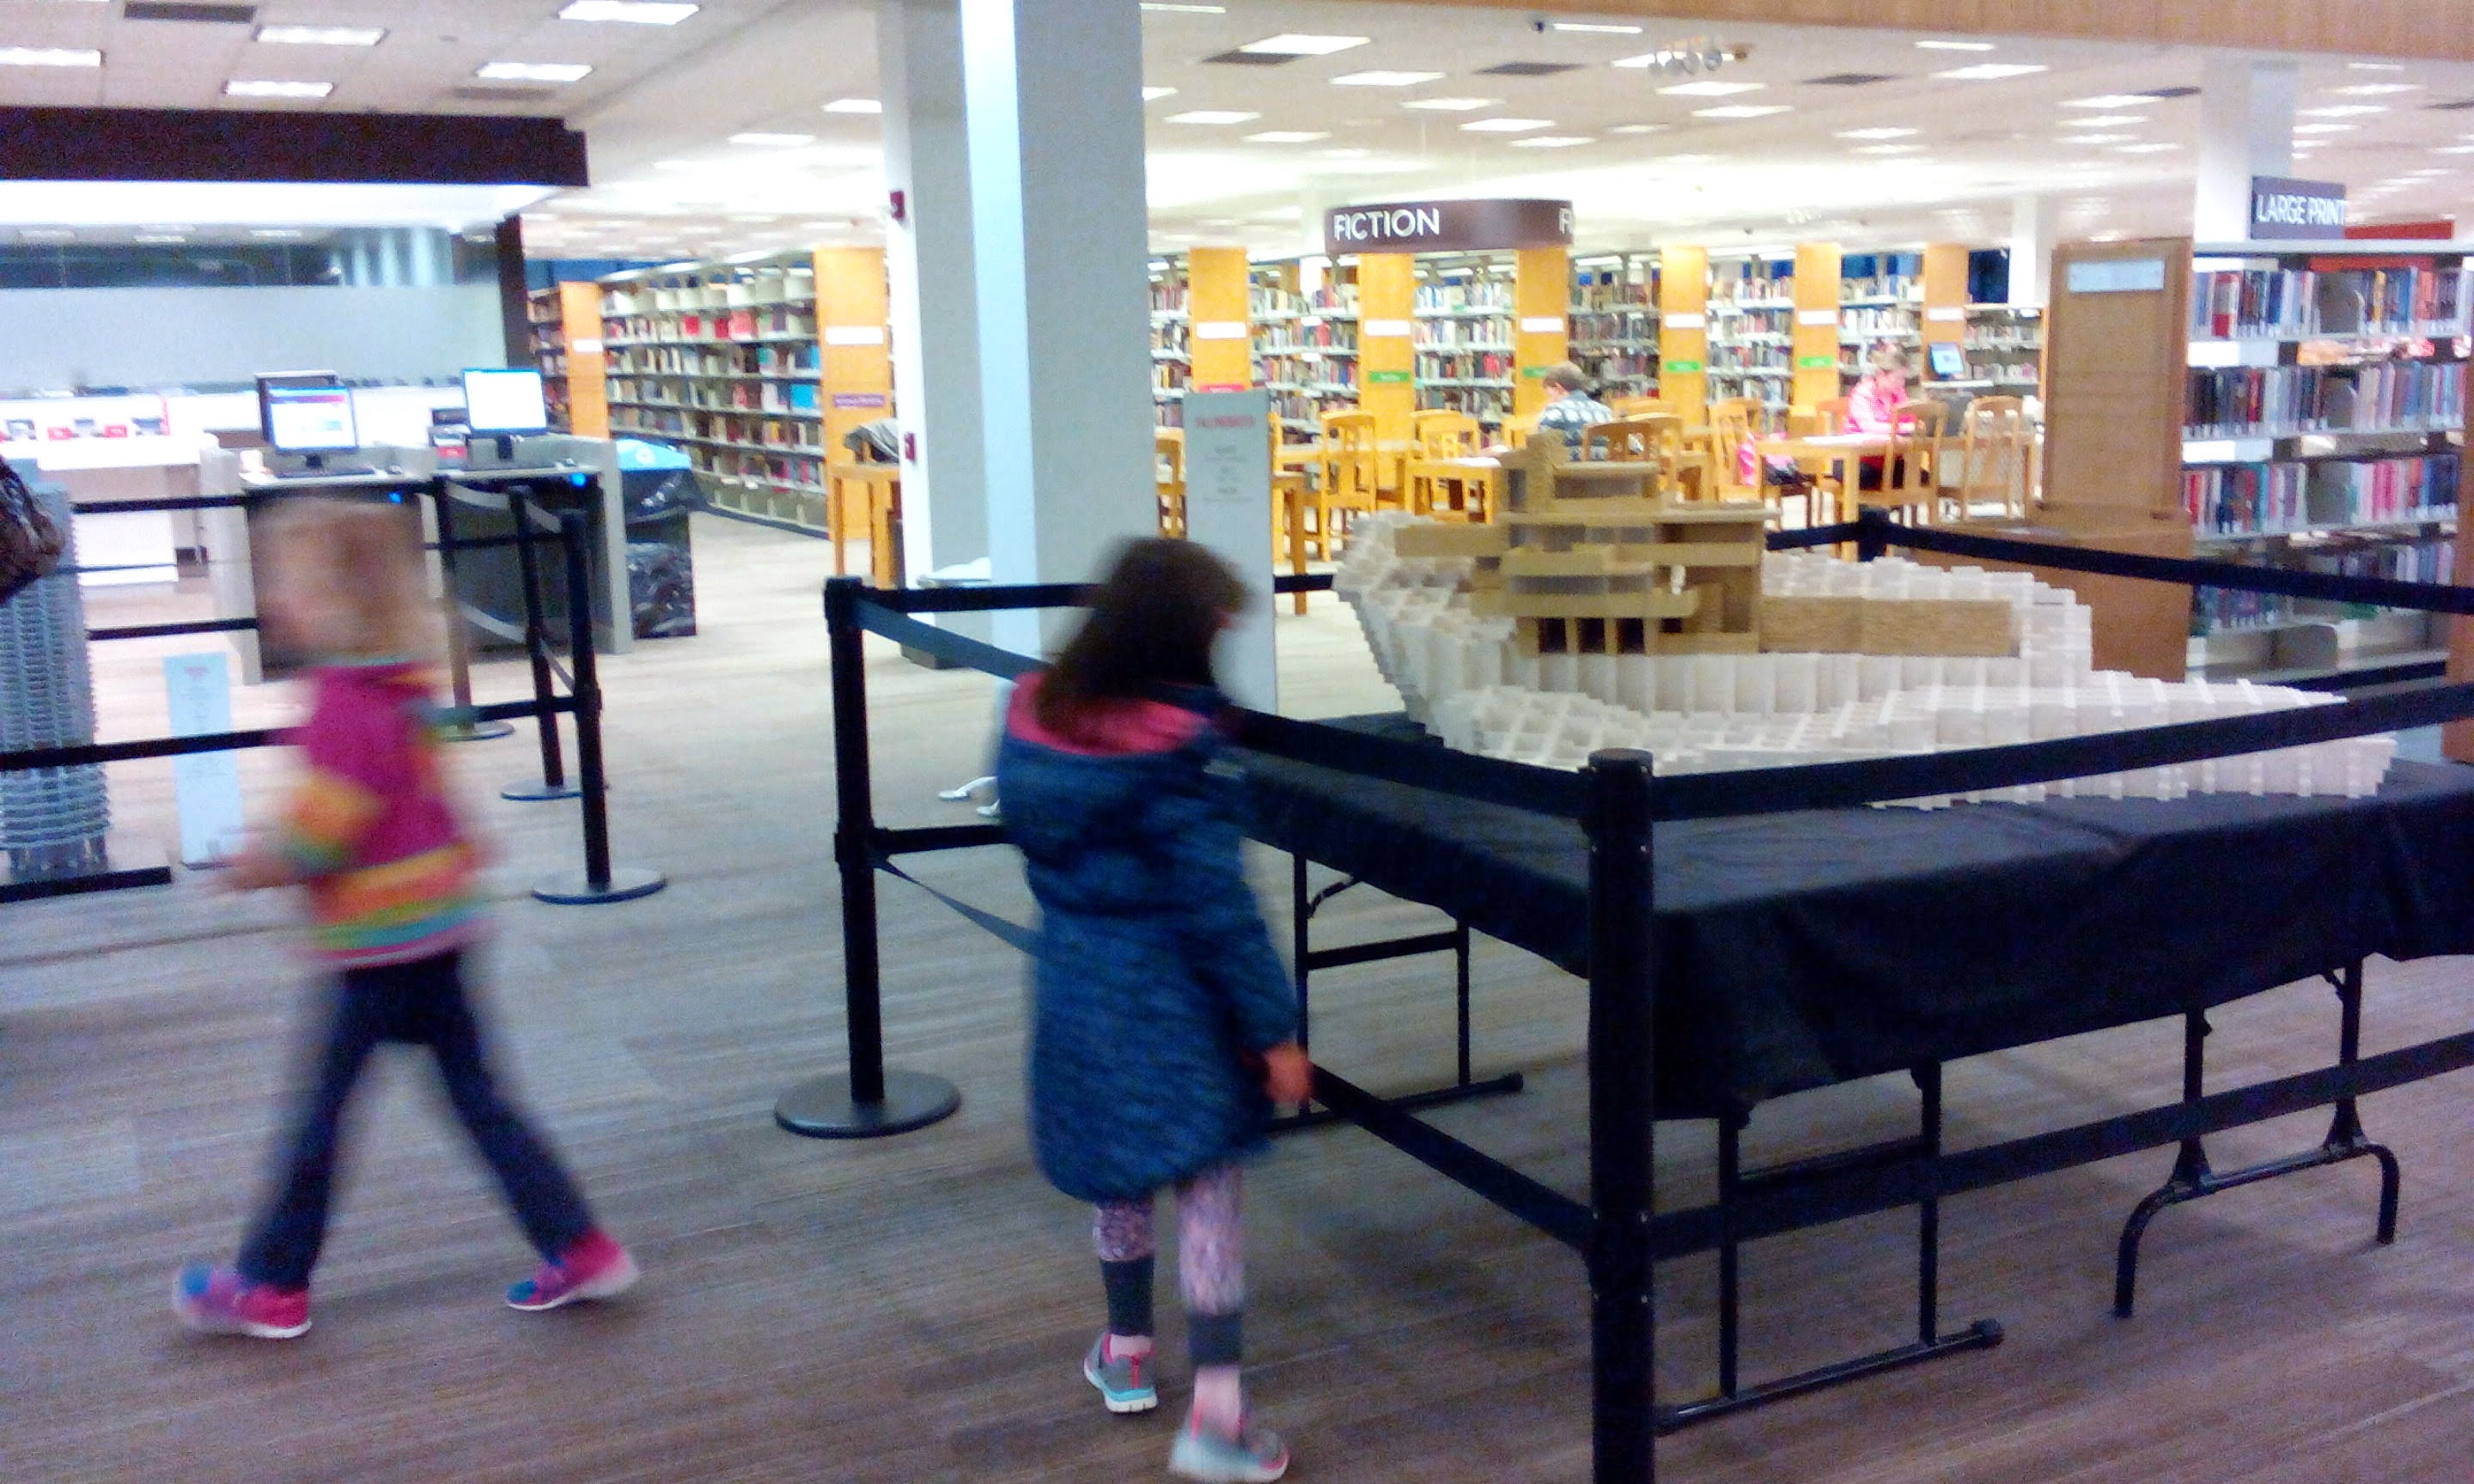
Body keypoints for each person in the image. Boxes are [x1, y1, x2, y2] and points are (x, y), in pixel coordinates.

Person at [174, 498, 634, 1341]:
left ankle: (272, 1284)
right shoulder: (404, 687)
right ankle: (581, 1246)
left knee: (319, 1119)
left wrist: (251, 867)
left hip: (375, 953)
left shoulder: (341, 706)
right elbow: (429, 800)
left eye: (287, 583)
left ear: (335, 601)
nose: (274, 599)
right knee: (482, 1102)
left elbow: (322, 835)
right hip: (442, 933)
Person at [995, 538, 1310, 1484]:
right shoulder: (1179, 750)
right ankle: (1217, 1416)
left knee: (1118, 1173)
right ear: (1184, 633)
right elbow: (1219, 906)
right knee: (1208, 1191)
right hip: (1179, 997)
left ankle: (1127, 1349)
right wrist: (1274, 1030)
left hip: (1076, 976)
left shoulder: (1031, 709)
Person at [1531, 361, 1616, 451]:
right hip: (1606, 459)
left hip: (1571, 459)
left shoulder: (1556, 411)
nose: (1547, 395)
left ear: (1558, 387)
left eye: (1546, 389)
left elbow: (1540, 447)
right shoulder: (1605, 411)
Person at [1846, 344, 1911, 435]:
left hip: (1893, 442)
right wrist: (1902, 428)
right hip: (1861, 443)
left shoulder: (1899, 394)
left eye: (1903, 378)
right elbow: (1869, 427)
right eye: (1898, 378)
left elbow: (1912, 421)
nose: (1902, 383)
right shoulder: (1863, 393)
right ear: (1881, 374)